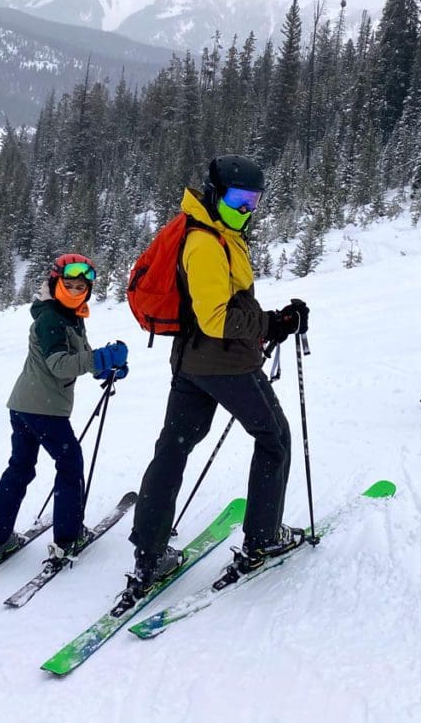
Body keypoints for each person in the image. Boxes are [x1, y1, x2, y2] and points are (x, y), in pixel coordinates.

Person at [126, 155, 310, 593]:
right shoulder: (206, 241)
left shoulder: (214, 230)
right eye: (238, 199)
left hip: (191, 363)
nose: (246, 208)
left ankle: (149, 555)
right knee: (275, 438)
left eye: (254, 200)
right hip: (224, 364)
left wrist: (268, 323)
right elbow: (215, 317)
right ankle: (262, 538)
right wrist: (272, 324)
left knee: (173, 449)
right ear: (215, 193)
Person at [0, 254, 129, 566]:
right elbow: (60, 365)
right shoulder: (50, 319)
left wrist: (106, 366)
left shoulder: (67, 316)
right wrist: (99, 359)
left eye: (81, 287)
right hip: (44, 411)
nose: (75, 291)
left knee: (20, 468)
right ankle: (68, 537)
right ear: (55, 283)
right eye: (68, 284)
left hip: (23, 406)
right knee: (70, 464)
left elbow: (79, 356)